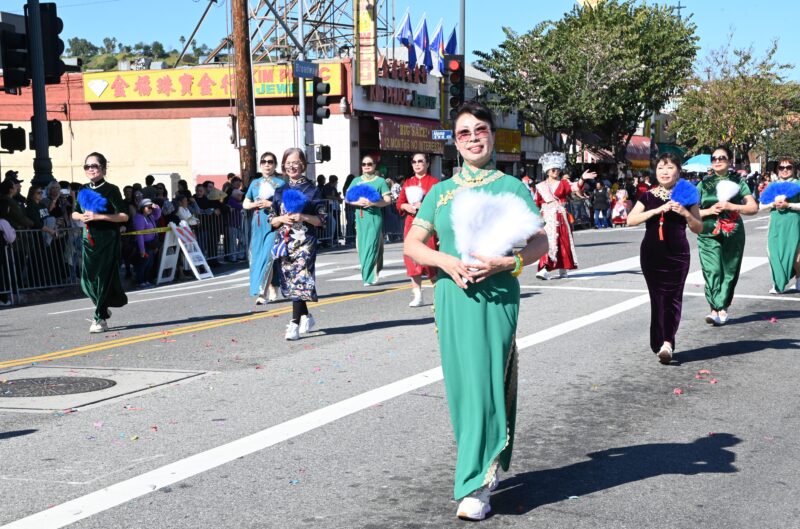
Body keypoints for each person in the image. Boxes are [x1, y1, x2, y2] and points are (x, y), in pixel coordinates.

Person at [404, 101, 548, 521]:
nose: (472, 138)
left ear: (492, 136)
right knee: (463, 389)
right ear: (455, 141)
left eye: (480, 130)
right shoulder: (440, 192)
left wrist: (508, 263)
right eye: (464, 132)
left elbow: (540, 242)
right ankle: (486, 463)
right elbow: (413, 244)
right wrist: (445, 262)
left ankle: (475, 485)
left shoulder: (512, 187)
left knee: (486, 383)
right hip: (452, 296)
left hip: (497, 295)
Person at [626, 153, 703, 363]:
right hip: (651, 254)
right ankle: (658, 340)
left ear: (678, 171)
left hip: (677, 254)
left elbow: (698, 227)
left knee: (673, 297)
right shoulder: (648, 196)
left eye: (670, 167)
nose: (664, 172)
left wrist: (685, 213)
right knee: (657, 298)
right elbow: (630, 220)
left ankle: (668, 342)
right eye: (661, 167)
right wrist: (656, 211)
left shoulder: (687, 194)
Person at [696, 145, 759, 325]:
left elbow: (753, 208)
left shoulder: (739, 182)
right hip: (707, 232)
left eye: (721, 158)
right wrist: (708, 210)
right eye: (714, 159)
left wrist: (732, 206)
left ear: (729, 161)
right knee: (712, 270)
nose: (717, 161)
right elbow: (689, 211)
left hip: (733, 232)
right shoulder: (703, 184)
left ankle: (722, 308)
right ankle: (714, 308)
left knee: (729, 270)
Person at [269, 148, 326, 340]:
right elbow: (272, 219)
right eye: (288, 163)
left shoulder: (312, 190)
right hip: (285, 242)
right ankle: (306, 316)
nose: (292, 166)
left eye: (296, 163)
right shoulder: (280, 190)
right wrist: (281, 218)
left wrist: (303, 217)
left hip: (305, 242)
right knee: (291, 281)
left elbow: (321, 220)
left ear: (303, 165)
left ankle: (293, 324)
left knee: (300, 278)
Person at [71, 152, 129, 333]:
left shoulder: (111, 190)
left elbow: (124, 216)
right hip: (88, 239)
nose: (90, 169)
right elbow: (74, 212)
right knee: (86, 281)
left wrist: (99, 216)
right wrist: (81, 216)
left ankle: (99, 319)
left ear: (103, 168)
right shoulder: (82, 189)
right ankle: (102, 307)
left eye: (94, 166)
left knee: (102, 279)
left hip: (107, 239)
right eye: (87, 166)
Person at [534, 153, 593, 280]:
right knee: (546, 242)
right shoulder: (540, 186)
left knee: (562, 242)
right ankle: (544, 268)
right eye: (553, 169)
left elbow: (575, 187)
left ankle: (563, 267)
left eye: (558, 169)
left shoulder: (563, 183)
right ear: (547, 171)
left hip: (560, 217)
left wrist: (582, 178)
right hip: (546, 218)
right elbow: (535, 203)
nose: (556, 171)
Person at [396, 153, 439, 306]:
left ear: (427, 164)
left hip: (428, 225)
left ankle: (438, 294)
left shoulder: (435, 183)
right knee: (411, 259)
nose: (417, 164)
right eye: (414, 161)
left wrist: (425, 206)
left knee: (430, 259)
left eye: (420, 161)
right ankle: (417, 295)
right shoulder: (408, 183)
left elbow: (440, 204)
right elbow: (399, 203)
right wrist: (405, 206)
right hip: (411, 224)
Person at [244, 151, 285, 304]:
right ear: (260, 164)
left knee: (268, 257)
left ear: (275, 165)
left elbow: (286, 204)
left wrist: (270, 204)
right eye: (264, 162)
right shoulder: (255, 183)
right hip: (257, 223)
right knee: (256, 257)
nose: (267, 165)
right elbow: (245, 203)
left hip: (274, 224)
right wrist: (254, 204)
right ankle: (273, 285)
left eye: (270, 162)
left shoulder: (281, 183)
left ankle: (262, 293)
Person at [346, 155, 391, 285]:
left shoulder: (380, 181)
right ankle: (374, 268)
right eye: (364, 164)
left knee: (371, 244)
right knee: (362, 246)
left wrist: (373, 203)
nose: (366, 166)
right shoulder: (356, 181)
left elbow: (388, 200)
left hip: (374, 217)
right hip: (360, 218)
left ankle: (368, 277)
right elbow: (348, 198)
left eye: (369, 164)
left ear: (374, 165)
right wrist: (357, 202)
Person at [761, 157, 800, 294]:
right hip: (775, 222)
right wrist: (773, 204)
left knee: (795, 255)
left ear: (794, 169)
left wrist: (789, 205)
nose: (785, 170)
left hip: (794, 222)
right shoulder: (772, 186)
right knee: (773, 252)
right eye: (781, 167)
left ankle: (798, 279)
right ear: (777, 170)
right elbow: (761, 206)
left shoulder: (798, 184)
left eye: (788, 167)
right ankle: (777, 282)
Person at [132, 198, 162, 288]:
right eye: (148, 207)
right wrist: (142, 250)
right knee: (142, 264)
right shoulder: (139, 218)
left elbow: (158, 215)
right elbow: (139, 235)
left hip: (151, 245)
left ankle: (146, 280)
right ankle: (140, 282)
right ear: (142, 207)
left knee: (149, 264)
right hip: (144, 245)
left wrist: (156, 207)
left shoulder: (150, 216)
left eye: (151, 207)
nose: (150, 209)